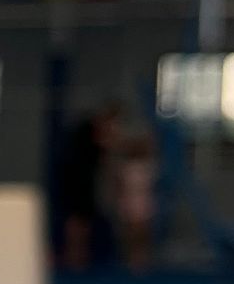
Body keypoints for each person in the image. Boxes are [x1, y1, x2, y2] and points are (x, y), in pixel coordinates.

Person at [57, 103, 116, 272]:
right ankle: (73, 256)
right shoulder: (87, 139)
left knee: (82, 221)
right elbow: (108, 145)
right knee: (76, 221)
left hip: (83, 183)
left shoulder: (88, 144)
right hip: (78, 183)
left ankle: (77, 255)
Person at [112, 124, 158, 275]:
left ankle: (142, 258)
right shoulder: (124, 167)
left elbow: (152, 184)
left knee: (143, 231)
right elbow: (119, 185)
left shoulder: (148, 166)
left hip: (143, 200)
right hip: (130, 200)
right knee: (130, 232)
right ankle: (130, 258)